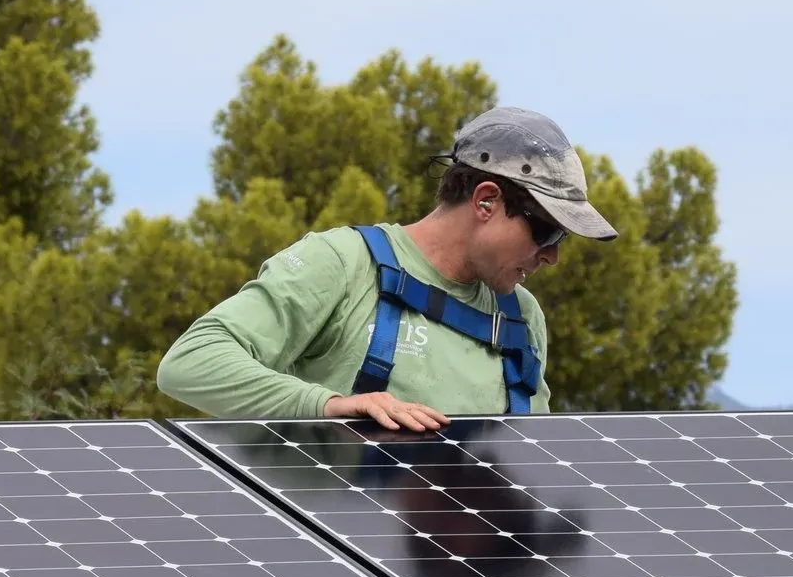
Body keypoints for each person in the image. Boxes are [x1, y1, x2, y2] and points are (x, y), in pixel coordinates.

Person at [156, 106, 616, 427]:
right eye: (547, 231)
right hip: (334, 558)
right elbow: (191, 363)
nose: (552, 255)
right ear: (487, 201)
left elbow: (530, 464)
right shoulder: (343, 263)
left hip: (466, 568)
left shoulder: (521, 318)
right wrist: (328, 406)